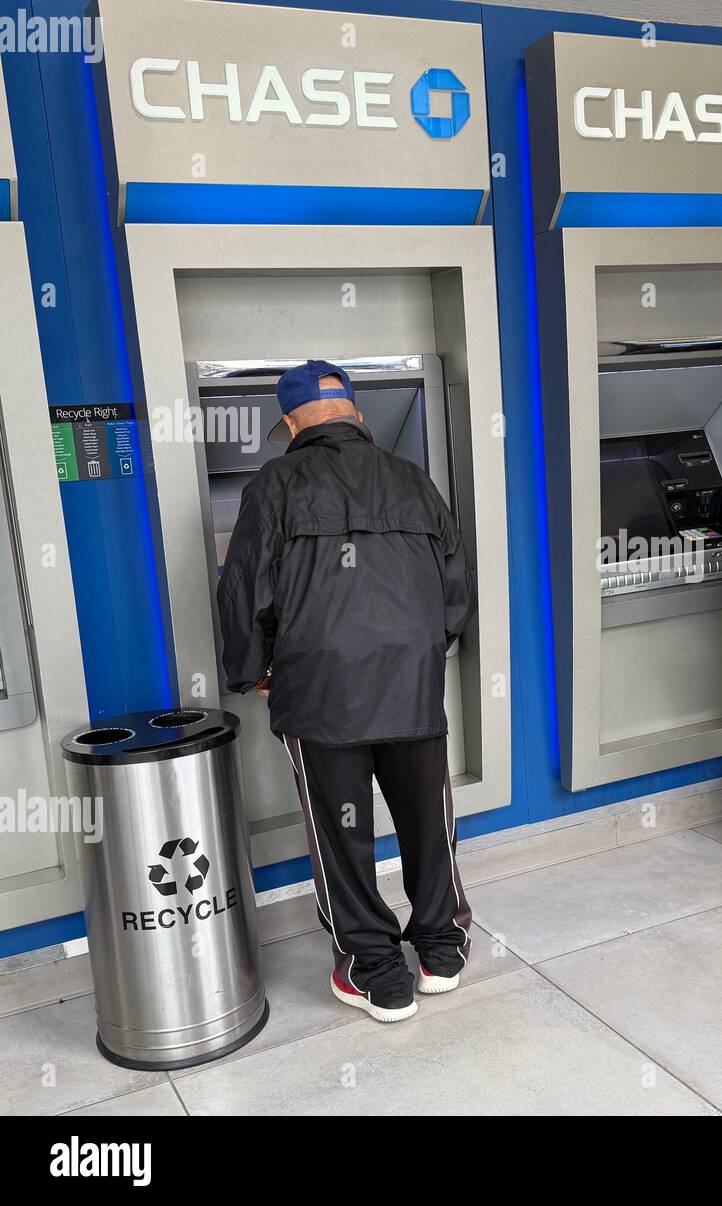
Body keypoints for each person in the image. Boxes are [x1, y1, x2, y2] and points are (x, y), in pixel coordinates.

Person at [217, 360, 476, 1023]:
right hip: (412, 686)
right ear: (354, 413)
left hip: (321, 691)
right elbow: (454, 592)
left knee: (342, 835)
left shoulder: (273, 484)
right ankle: (442, 950)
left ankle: (377, 971)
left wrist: (251, 671)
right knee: (427, 821)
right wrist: (420, 650)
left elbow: (246, 587)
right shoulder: (413, 479)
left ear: (293, 423)